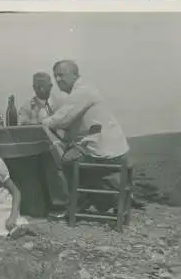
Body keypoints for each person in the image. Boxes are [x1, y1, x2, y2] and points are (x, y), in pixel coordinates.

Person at [43, 60, 133, 212]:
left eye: (61, 75)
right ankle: (91, 199)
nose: (58, 80)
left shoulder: (82, 91)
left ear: (75, 75)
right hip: (114, 148)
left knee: (63, 160)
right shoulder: (83, 91)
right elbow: (72, 125)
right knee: (70, 154)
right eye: (55, 76)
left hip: (106, 151)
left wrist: (44, 123)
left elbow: (62, 120)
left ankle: (73, 203)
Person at [15, 72, 70, 216]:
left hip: (58, 143)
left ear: (51, 86)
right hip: (34, 146)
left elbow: (65, 123)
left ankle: (60, 204)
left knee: (53, 160)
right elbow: (22, 123)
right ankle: (33, 204)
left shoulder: (59, 103)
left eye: (44, 85)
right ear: (33, 87)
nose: (40, 89)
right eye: (37, 86)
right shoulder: (28, 105)